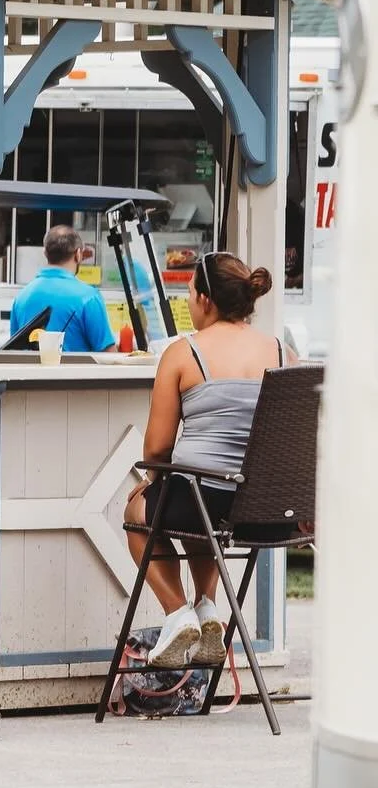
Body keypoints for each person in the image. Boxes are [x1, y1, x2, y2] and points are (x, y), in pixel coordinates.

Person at [125, 249, 286, 667]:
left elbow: (157, 450)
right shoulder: (282, 352)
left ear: (205, 300)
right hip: (264, 512)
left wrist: (152, 480)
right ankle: (208, 608)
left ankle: (178, 614)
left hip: (203, 500)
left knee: (140, 510)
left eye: (191, 292)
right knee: (200, 510)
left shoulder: (184, 353)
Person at [8, 225, 117, 354]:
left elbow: (14, 352)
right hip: (75, 374)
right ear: (78, 254)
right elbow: (109, 354)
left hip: (31, 375)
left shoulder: (21, 297)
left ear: (45, 253)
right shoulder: (88, 297)